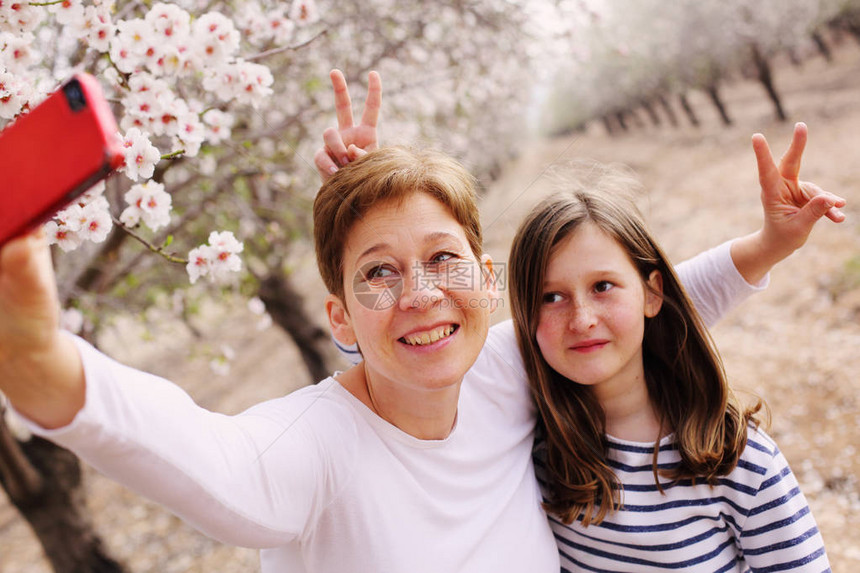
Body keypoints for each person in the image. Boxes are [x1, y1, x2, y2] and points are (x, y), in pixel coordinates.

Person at [0, 70, 842, 571]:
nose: (420, 295)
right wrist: (38, 357)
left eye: (443, 259)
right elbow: (206, 458)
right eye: (378, 274)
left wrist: (766, 248)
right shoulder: (314, 447)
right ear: (338, 316)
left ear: (483, 274)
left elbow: (633, 307)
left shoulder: (511, 370)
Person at [507, 169, 832, 571]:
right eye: (550, 297)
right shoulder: (534, 453)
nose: (582, 319)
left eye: (603, 286)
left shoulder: (738, 461)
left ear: (652, 292)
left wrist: (770, 244)